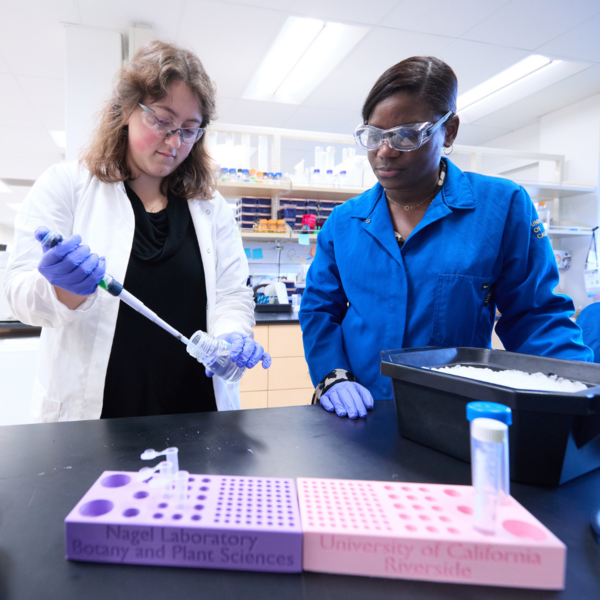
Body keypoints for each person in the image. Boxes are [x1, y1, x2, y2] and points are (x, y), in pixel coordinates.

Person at [299, 56, 593, 420]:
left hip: (452, 414)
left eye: (406, 135)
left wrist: (580, 390)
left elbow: (534, 314)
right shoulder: (345, 221)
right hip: (358, 410)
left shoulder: (501, 208)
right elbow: (318, 309)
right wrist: (333, 377)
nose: (385, 151)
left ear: (449, 130)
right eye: (374, 136)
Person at [4, 40, 270, 423]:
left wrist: (230, 336)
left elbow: (232, 294)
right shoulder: (67, 186)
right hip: (99, 416)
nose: (175, 142)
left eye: (189, 129)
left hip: (196, 414)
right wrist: (63, 288)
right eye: (161, 121)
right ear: (126, 110)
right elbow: (17, 296)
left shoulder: (212, 209)